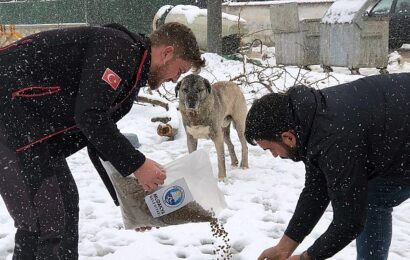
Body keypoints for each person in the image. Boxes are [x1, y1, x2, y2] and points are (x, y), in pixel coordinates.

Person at [0, 22, 205, 260]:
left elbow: (96, 134)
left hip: (33, 134)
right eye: (179, 70)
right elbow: (90, 117)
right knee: (44, 220)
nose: (174, 80)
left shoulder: (131, 66)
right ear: (167, 53)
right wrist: (137, 164)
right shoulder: (118, 49)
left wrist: (132, 204)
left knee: (64, 207)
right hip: (11, 122)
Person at [245, 73, 410, 260]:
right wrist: (284, 247)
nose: (274, 155)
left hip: (402, 136)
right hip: (397, 127)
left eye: (270, 149)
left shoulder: (334, 140)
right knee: (373, 197)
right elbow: (316, 190)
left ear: (287, 137)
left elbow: (350, 222)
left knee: (373, 199)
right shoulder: (309, 119)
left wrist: (306, 258)